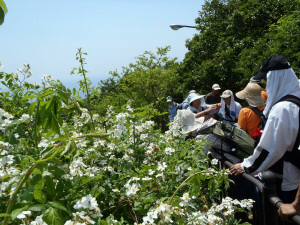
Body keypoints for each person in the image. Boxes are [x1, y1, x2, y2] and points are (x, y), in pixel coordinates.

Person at [230, 55, 300, 204]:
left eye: (266, 80)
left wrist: (246, 166)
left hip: (290, 177)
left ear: (275, 78)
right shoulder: (297, 95)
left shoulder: (283, 109)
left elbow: (272, 148)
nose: (266, 84)